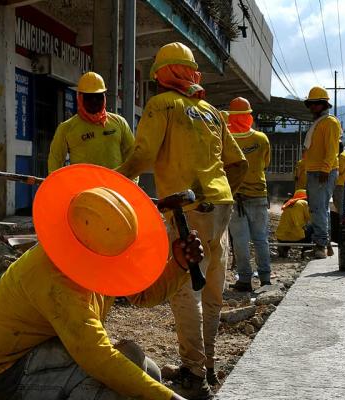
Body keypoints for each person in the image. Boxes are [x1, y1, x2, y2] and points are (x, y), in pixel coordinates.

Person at [0, 164, 204, 400]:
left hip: (48, 347)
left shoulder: (99, 245)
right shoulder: (56, 281)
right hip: (7, 372)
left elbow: (140, 294)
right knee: (113, 393)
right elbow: (98, 357)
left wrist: (179, 265)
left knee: (148, 372)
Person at [117, 42, 248, 398]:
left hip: (187, 211)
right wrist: (220, 196)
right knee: (213, 288)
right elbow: (239, 164)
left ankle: (193, 374)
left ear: (161, 74)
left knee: (185, 291)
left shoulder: (162, 104)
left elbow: (143, 155)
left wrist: (111, 181)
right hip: (220, 205)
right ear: (191, 72)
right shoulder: (212, 112)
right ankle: (208, 365)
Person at [223, 97, 272, 292]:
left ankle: (244, 280)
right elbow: (265, 163)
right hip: (259, 195)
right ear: (249, 117)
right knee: (261, 239)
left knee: (240, 241)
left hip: (235, 198)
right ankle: (265, 279)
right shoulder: (261, 139)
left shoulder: (226, 139)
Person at [48, 72, 134, 173]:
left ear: (104, 97)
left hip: (113, 183)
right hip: (84, 183)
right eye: (89, 97)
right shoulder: (66, 128)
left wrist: (132, 180)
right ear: (80, 98)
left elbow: (132, 155)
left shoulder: (119, 123)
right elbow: (55, 160)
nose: (94, 101)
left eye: (98, 96)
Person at [302, 86, 341, 259]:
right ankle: (326, 244)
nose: (312, 107)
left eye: (316, 104)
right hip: (315, 170)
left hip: (322, 171)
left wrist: (325, 169)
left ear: (324, 104)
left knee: (318, 209)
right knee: (321, 209)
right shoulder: (320, 122)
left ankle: (320, 246)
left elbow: (332, 149)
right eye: (310, 104)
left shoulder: (329, 123)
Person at [274, 190, 312, 259]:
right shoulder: (304, 203)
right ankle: (306, 251)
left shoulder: (288, 203)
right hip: (298, 237)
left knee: (287, 227)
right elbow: (311, 218)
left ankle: (283, 248)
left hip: (281, 237)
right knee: (313, 227)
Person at [332, 141, 345, 221]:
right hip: (343, 182)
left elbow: (339, 170)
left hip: (339, 183)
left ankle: (339, 220)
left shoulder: (341, 156)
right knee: (341, 203)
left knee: (338, 203)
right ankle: (341, 219)